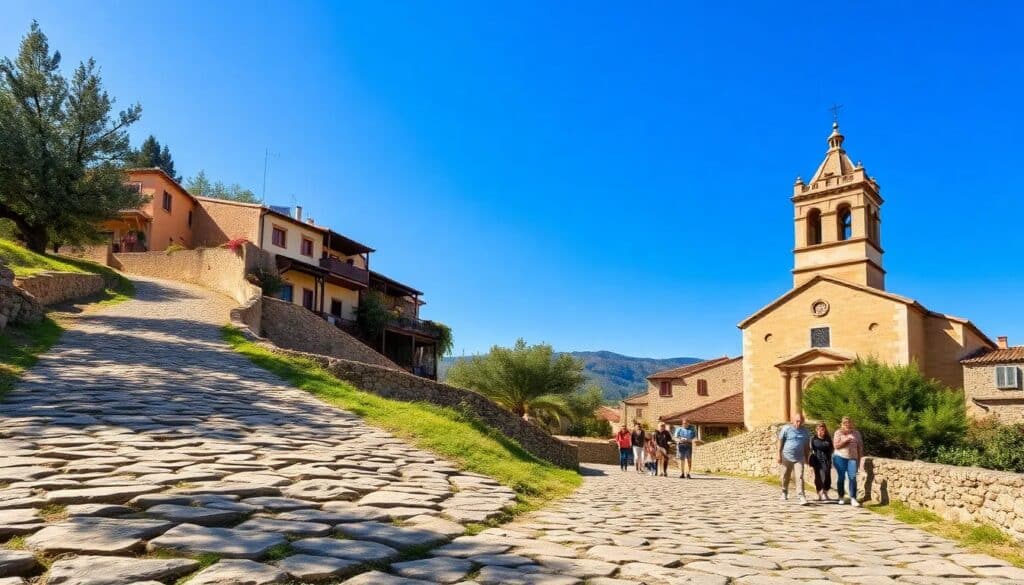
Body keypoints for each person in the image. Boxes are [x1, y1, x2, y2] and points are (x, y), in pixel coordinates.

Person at [777, 413, 810, 505]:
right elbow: (780, 441)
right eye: (797, 421)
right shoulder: (786, 429)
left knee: (799, 476)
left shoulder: (805, 432)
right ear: (792, 421)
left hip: (799, 457)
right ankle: (784, 492)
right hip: (786, 456)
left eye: (800, 421)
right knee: (785, 476)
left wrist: (807, 458)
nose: (798, 423)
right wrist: (778, 455)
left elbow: (807, 446)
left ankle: (801, 496)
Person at [833, 416, 864, 506]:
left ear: (852, 423)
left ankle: (853, 498)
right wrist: (846, 439)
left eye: (849, 422)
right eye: (845, 423)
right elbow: (836, 446)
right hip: (840, 457)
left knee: (852, 477)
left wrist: (860, 459)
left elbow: (860, 447)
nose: (847, 424)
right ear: (842, 424)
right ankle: (841, 497)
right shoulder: (838, 433)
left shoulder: (856, 433)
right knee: (841, 477)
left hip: (852, 458)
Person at [809, 422, 834, 501]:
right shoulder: (814, 439)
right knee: (820, 477)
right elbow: (819, 446)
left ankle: (824, 492)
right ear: (816, 430)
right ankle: (821, 492)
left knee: (827, 478)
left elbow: (830, 448)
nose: (821, 431)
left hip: (827, 460)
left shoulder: (828, 438)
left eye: (823, 430)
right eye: (819, 430)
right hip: (817, 461)